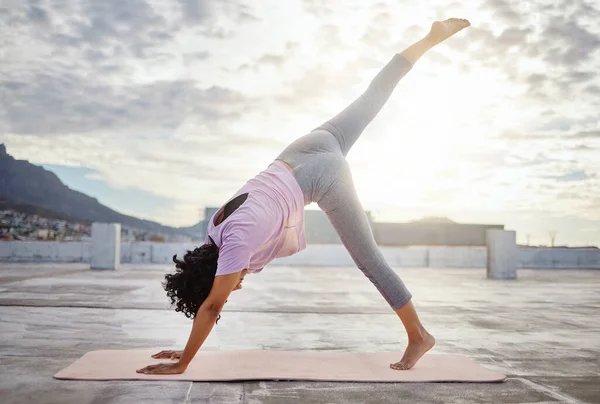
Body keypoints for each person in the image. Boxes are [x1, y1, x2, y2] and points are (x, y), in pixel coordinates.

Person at [137, 18, 471, 375]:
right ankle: (430, 39)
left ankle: (419, 334)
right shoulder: (214, 228)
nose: (234, 289)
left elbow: (211, 306)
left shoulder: (234, 247)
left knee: (369, 259)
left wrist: (183, 363)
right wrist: (188, 347)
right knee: (374, 96)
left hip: (323, 176)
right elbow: (213, 298)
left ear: (218, 273)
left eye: (228, 287)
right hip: (304, 147)